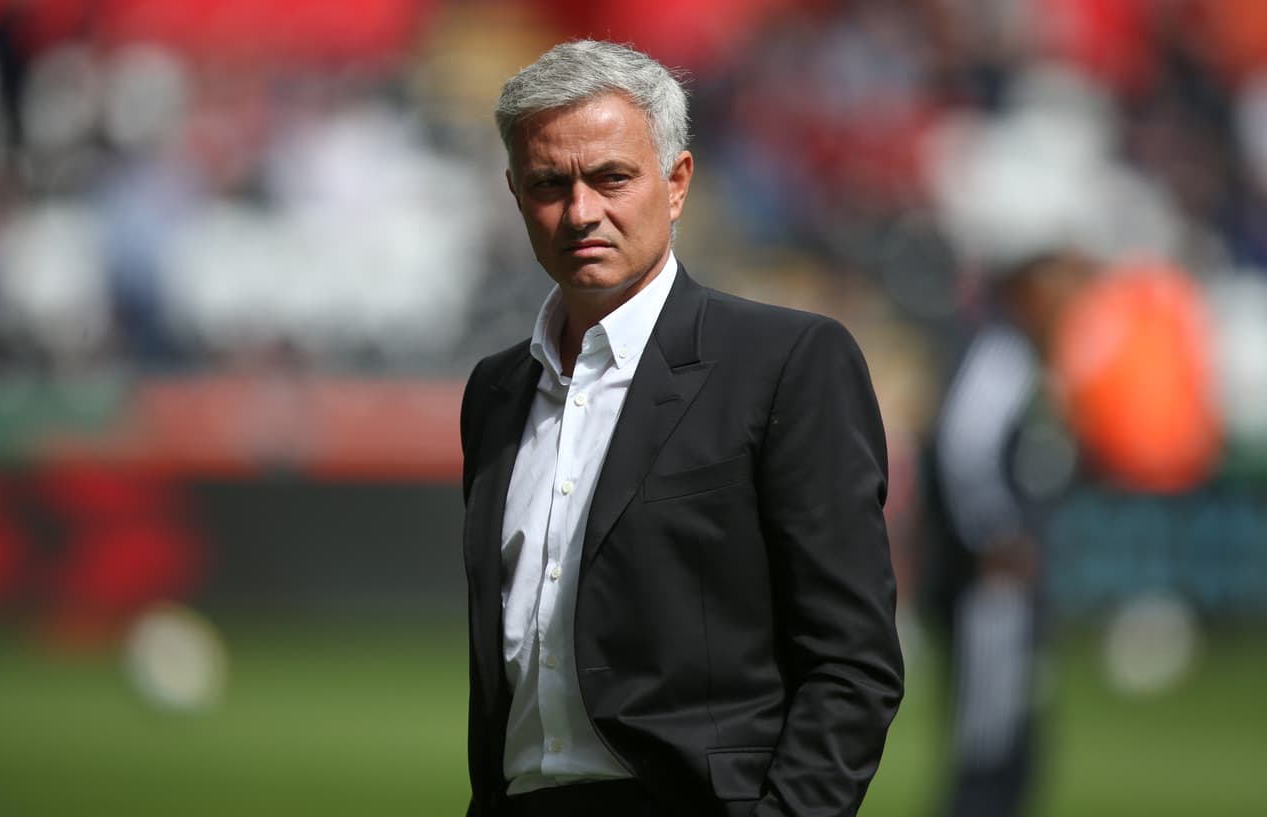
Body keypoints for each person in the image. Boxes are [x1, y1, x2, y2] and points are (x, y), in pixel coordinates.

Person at [459, 40, 903, 817]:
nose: (581, 210)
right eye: (548, 183)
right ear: (514, 192)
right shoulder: (497, 391)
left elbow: (851, 663)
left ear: (676, 183)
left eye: (611, 178)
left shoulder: (787, 362)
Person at [918, 250, 1092, 817]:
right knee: (991, 740)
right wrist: (994, 536)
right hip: (987, 581)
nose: (1069, 304)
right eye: (1058, 289)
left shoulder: (1021, 355)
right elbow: (965, 447)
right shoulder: (1001, 352)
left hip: (1000, 578)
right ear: (1025, 293)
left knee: (1012, 730)